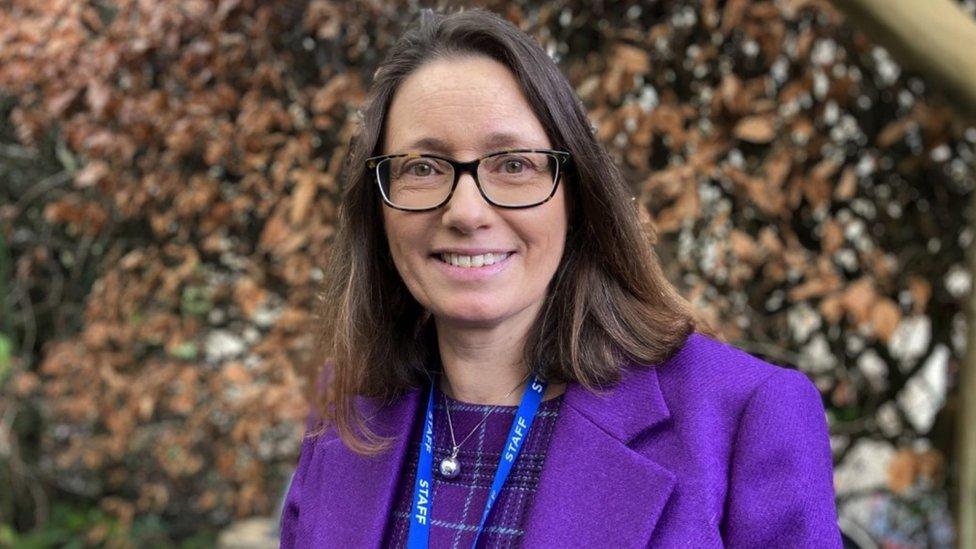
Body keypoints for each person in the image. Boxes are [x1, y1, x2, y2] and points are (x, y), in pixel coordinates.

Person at [280, 7, 841, 548]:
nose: (467, 213)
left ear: (577, 196)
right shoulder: (345, 410)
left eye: (514, 164)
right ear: (377, 208)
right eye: (422, 168)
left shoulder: (743, 416)